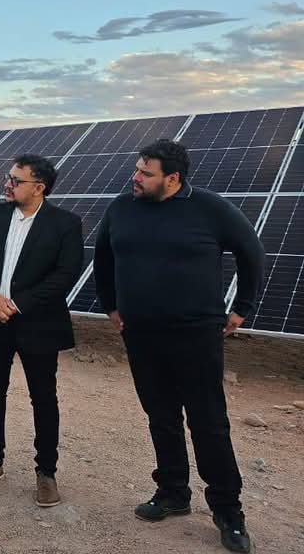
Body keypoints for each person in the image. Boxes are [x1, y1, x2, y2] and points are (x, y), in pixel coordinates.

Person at [94, 139, 263, 554]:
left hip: (195, 334)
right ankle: (172, 492)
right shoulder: (121, 208)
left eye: (145, 173)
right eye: (137, 169)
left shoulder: (210, 208)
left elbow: (252, 253)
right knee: (161, 416)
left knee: (208, 422)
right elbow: (103, 259)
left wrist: (242, 308)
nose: (135, 177)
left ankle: (228, 511)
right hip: (141, 333)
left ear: (172, 178)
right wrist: (111, 305)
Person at [0, 154, 83, 507]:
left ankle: (46, 472)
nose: (7, 184)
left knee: (43, 397)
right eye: (9, 177)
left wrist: (16, 304)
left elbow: (65, 273)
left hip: (37, 323)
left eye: (16, 180)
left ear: (39, 187)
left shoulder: (65, 223)